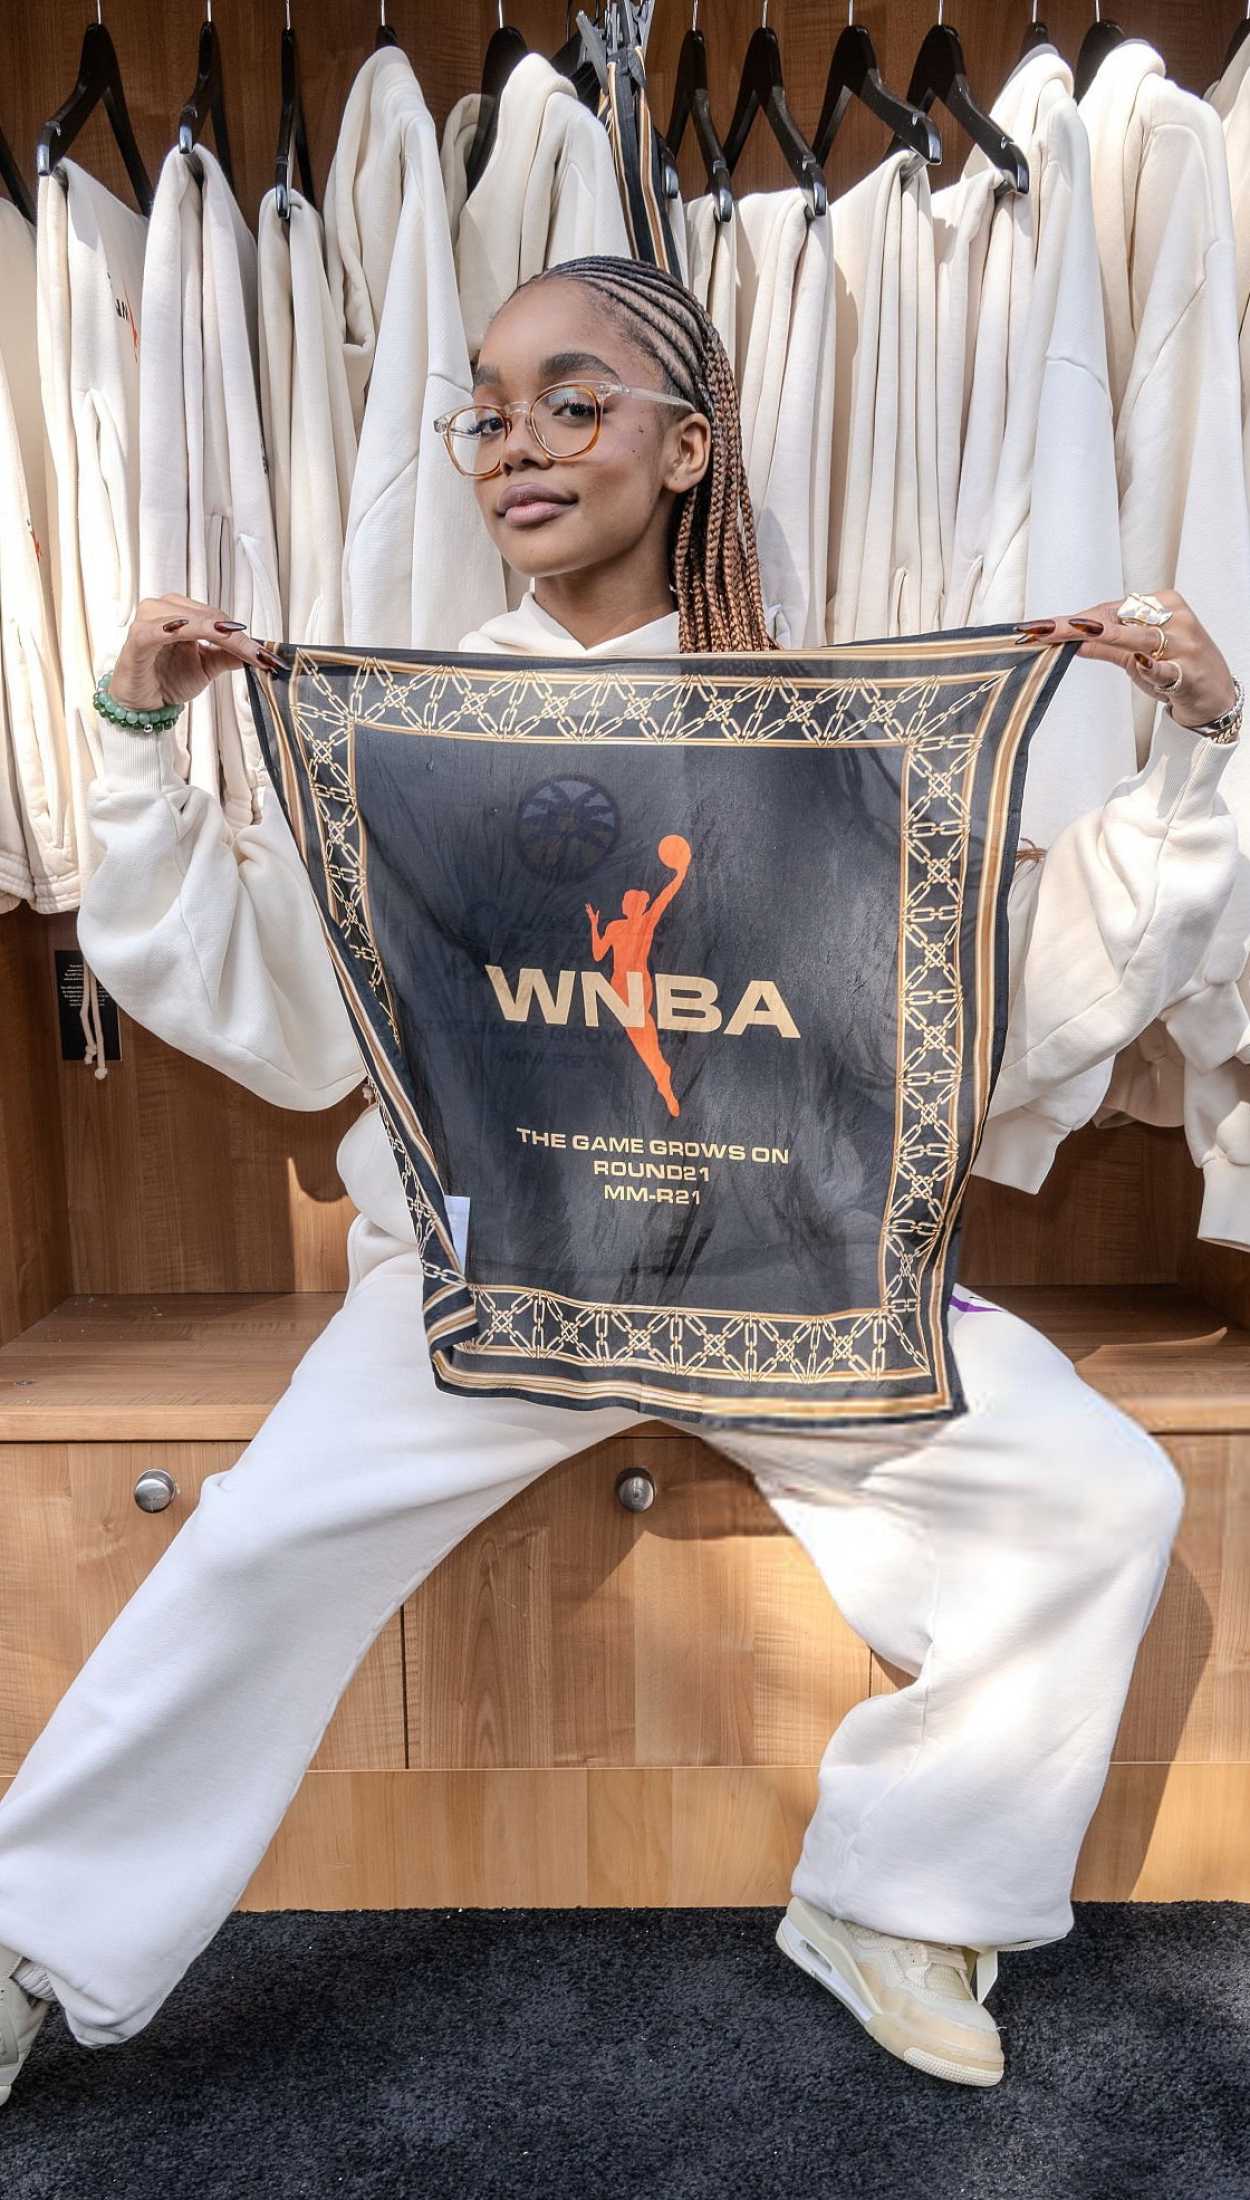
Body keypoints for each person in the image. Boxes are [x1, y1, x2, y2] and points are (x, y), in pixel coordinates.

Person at [0, 257, 1243, 2101]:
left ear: (685, 447)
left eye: (572, 403)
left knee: (1092, 1493)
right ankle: (30, 1944)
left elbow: (1007, 983)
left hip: (785, 1271)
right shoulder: (411, 735)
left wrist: (1203, 751)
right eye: (488, 411)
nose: (517, 444)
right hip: (488, 1277)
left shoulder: (828, 727)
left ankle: (899, 1901)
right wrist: (132, 742)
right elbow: (279, 1007)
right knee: (257, 1546)